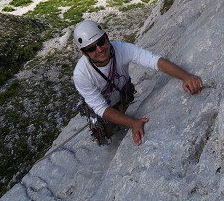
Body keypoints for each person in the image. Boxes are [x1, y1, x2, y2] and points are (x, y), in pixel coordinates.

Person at [73, 20, 203, 146]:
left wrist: (186, 76)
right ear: (84, 53)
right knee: (110, 131)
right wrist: (133, 123)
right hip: (105, 103)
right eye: (91, 48)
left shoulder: (121, 49)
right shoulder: (82, 75)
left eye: (101, 42)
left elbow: (153, 61)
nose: (100, 49)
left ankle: (121, 116)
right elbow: (101, 108)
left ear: (107, 37)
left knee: (122, 111)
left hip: (121, 95)